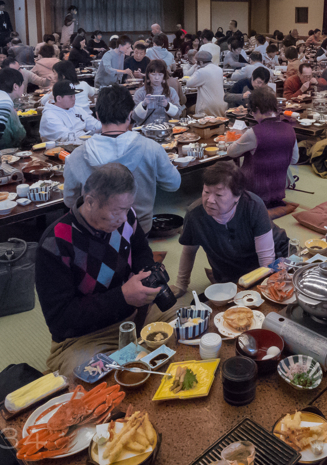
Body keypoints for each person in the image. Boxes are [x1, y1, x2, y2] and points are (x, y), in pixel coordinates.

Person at [37, 163, 175, 376]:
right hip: (85, 336)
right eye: (117, 211)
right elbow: (61, 319)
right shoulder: (55, 242)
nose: (123, 218)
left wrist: (147, 275)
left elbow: (140, 251)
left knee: (183, 325)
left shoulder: (126, 216)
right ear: (90, 202)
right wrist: (122, 297)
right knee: (97, 378)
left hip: (136, 314)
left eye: (127, 208)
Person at [63, 86, 180, 236]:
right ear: (130, 115)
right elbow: (173, 184)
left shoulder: (76, 155)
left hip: (94, 231)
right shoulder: (151, 147)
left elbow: (69, 200)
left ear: (97, 116)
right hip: (139, 229)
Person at [174, 162, 279, 295]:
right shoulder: (195, 214)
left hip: (261, 265)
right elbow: (189, 251)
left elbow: (266, 260)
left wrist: (264, 287)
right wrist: (181, 284)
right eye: (206, 192)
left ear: (237, 196)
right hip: (227, 273)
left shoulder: (254, 206)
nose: (210, 200)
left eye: (218, 195)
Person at [227, 88, 298, 208]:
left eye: (252, 112)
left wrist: (234, 138)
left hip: (253, 191)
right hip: (279, 189)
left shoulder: (254, 133)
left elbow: (231, 152)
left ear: (257, 110)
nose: (253, 115)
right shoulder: (290, 129)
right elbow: (294, 159)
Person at [132, 59, 185, 126]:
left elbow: (178, 114)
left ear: (164, 76)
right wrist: (143, 105)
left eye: (160, 74)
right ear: (148, 76)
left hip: (166, 129)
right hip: (145, 130)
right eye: (153, 74)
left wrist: (167, 106)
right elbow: (134, 118)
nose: (157, 78)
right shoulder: (140, 93)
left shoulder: (171, 91)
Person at [185, 50, 227, 117]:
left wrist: (196, 70)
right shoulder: (219, 69)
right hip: (222, 104)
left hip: (208, 107)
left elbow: (189, 83)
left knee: (188, 110)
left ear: (201, 62)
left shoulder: (201, 72)